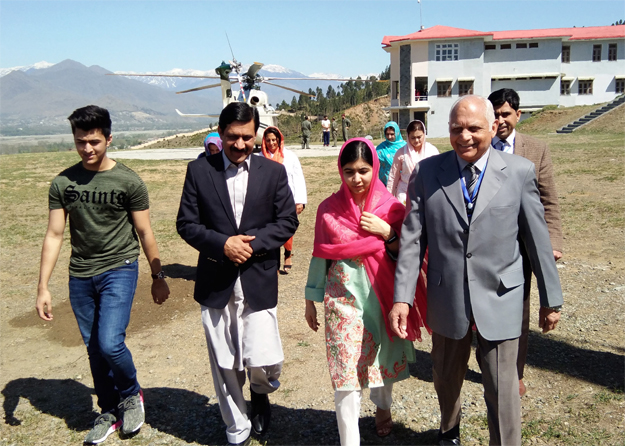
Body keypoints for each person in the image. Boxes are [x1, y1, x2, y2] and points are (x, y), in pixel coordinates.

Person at [390, 95, 563, 446]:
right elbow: (412, 240)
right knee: (445, 378)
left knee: (503, 392)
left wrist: (550, 299)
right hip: (446, 296)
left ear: (493, 127)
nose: (465, 136)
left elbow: (537, 242)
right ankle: (449, 431)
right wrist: (402, 298)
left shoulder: (518, 172)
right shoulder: (428, 172)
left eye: (474, 128)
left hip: (501, 297)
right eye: (457, 129)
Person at [35, 105, 170, 444]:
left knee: (110, 342)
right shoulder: (63, 182)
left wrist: (158, 275)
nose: (87, 149)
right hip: (80, 274)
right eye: (81, 142)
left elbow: (145, 232)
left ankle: (131, 393)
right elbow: (54, 235)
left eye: (94, 141)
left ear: (109, 138)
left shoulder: (128, 181)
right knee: (94, 348)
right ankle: (109, 410)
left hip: (120, 269)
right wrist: (42, 287)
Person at [176, 102, 298, 446]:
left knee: (265, 357)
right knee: (224, 361)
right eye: (232, 137)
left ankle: (260, 391)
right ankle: (237, 427)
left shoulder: (273, 172)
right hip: (217, 280)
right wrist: (222, 244)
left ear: (256, 134)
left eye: (247, 137)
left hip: (259, 278)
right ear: (221, 132)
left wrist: (252, 244)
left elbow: (287, 220)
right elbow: (186, 224)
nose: (240, 145)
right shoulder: (199, 172)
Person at [305, 138, 428, 446]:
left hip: (381, 296)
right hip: (342, 299)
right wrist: (311, 298)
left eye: (363, 170)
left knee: (379, 361)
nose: (356, 179)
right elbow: (321, 254)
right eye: (348, 171)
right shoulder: (328, 210)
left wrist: (388, 232)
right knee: (345, 374)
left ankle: (383, 407)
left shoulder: (390, 208)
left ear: (375, 168)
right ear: (340, 171)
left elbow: (410, 255)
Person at [488, 88, 564, 397]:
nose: (501, 120)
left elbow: (549, 200)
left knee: (519, 309)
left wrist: (553, 242)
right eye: (495, 114)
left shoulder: (536, 149)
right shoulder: (481, 147)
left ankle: (514, 372)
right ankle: (489, 359)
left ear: (518, 115)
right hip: (488, 243)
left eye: (506, 114)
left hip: (523, 244)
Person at [259, 126, 307, 273]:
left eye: (274, 140)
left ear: (279, 140)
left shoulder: (290, 157)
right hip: (267, 201)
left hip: (287, 199)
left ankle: (287, 255)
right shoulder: (259, 158)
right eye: (268, 140)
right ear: (264, 141)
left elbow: (298, 178)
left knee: (286, 229)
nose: (271, 143)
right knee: (271, 229)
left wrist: (300, 200)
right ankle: (272, 259)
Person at [387, 120, 439, 205]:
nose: (416, 140)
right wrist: (388, 197)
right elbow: (393, 176)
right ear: (408, 136)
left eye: (419, 137)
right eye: (413, 137)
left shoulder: (432, 151)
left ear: (424, 134)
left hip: (427, 192)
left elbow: (438, 173)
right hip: (405, 194)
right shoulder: (401, 153)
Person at [375, 121, 405, 187]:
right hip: (384, 182)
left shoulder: (404, 147)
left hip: (401, 182)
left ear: (397, 133)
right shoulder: (381, 147)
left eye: (392, 134)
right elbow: (374, 162)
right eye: (387, 134)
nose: (389, 137)